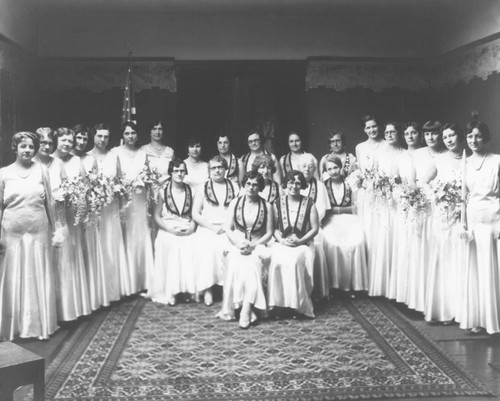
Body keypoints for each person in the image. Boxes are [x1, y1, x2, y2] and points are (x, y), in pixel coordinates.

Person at [0, 132, 59, 341]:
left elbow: (50, 202)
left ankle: (37, 326)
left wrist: (55, 230)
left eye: (31, 147)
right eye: (23, 146)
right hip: (11, 232)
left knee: (38, 274)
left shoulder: (42, 170)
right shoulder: (3, 174)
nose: (27, 150)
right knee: (13, 275)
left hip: (38, 230)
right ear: (14, 148)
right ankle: (12, 328)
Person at [460, 113, 500, 335]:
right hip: (474, 219)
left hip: (495, 218)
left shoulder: (497, 160)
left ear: (485, 137)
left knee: (494, 270)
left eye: (477, 136)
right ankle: (478, 318)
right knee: (476, 271)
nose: (473, 141)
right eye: (469, 136)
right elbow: (462, 197)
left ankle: (495, 320)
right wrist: (463, 225)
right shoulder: (465, 163)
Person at [218, 171, 273, 328]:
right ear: (244, 184)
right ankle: (244, 307)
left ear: (260, 187)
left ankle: (246, 309)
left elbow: (269, 233)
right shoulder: (235, 202)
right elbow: (228, 228)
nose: (251, 187)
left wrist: (253, 246)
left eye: (255, 184)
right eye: (248, 183)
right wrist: (238, 244)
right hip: (238, 243)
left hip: (258, 244)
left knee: (252, 264)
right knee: (236, 262)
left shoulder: (267, 206)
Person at [425, 123, 467, 325]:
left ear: (459, 137)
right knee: (447, 261)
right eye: (445, 137)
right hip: (444, 217)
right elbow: (423, 183)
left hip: (466, 216)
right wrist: (436, 196)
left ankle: (465, 310)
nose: (449, 140)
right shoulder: (439, 160)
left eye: (452, 136)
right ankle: (447, 310)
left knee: (464, 261)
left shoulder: (470, 157)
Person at [267, 170, 319, 319]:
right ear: (285, 184)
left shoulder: (309, 203)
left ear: (302, 185)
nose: (294, 186)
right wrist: (282, 240)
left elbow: (315, 229)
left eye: (297, 183)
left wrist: (300, 241)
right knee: (277, 260)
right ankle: (278, 305)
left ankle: (298, 306)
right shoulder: (277, 203)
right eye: (290, 182)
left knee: (295, 262)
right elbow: (274, 228)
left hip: (302, 244)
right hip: (283, 243)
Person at [52, 127, 91, 321]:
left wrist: (78, 201)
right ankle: (55, 309)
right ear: (56, 141)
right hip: (54, 217)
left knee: (72, 258)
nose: (67, 144)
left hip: (73, 216)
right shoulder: (49, 161)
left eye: (70, 141)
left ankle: (72, 307)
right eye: (63, 140)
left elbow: (85, 187)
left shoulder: (77, 161)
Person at [88, 123, 131, 300]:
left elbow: (120, 181)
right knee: (97, 246)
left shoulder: (114, 156)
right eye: (99, 136)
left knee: (112, 245)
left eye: (106, 136)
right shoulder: (87, 156)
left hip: (111, 207)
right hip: (94, 209)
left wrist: (121, 207)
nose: (103, 140)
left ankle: (113, 291)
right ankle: (98, 293)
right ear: (93, 136)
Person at [111, 121, 154, 294]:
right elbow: (114, 176)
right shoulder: (115, 153)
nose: (130, 136)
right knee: (125, 234)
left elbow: (148, 175)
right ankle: (126, 283)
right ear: (122, 135)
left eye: (133, 133)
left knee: (140, 233)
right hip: (123, 199)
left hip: (140, 198)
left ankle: (142, 280)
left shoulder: (143, 153)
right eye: (127, 133)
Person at [405, 120, 444, 312]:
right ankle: (421, 301)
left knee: (438, 250)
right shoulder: (418, 154)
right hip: (422, 205)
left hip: (441, 206)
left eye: (434, 133)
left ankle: (438, 301)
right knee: (422, 249)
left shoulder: (446, 155)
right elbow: (412, 181)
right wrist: (415, 200)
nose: (430, 137)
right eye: (427, 134)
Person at [147, 159, 197, 306]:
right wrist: (169, 229)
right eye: (176, 171)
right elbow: (157, 216)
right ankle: (172, 291)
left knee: (191, 245)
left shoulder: (191, 191)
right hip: (167, 228)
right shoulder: (163, 191)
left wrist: (192, 228)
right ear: (171, 172)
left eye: (182, 171)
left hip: (186, 227)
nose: (179, 174)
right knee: (173, 246)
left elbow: (195, 215)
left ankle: (187, 290)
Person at [192, 156, 239, 306]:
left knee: (232, 247)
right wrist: (212, 228)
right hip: (208, 227)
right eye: (214, 168)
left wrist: (228, 227)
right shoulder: (203, 187)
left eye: (220, 167)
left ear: (226, 169)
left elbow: (239, 211)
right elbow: (195, 214)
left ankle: (227, 287)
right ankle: (208, 289)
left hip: (229, 227)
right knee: (207, 247)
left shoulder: (235, 186)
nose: (217, 170)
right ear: (209, 171)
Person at [72, 124, 109, 311]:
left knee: (87, 250)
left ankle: (88, 298)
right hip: (69, 213)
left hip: (88, 212)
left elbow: (95, 185)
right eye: (78, 138)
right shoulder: (61, 159)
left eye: (84, 139)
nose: (81, 142)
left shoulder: (90, 159)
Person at [322, 156, 368, 295]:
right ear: (326, 171)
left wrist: (338, 209)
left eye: (335, 167)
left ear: (341, 167)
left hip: (351, 219)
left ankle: (354, 284)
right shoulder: (323, 185)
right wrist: (336, 211)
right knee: (333, 243)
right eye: (329, 169)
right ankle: (336, 285)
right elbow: (324, 208)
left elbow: (356, 206)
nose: (333, 171)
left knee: (356, 241)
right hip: (331, 220)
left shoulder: (350, 183)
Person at [298, 153, 330, 300]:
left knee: (317, 243)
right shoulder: (292, 184)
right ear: (298, 167)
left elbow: (322, 209)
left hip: (314, 226)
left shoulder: (320, 186)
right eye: (304, 166)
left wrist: (309, 225)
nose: (307, 169)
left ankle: (316, 290)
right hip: (294, 228)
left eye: (311, 167)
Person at [140, 120, 174, 185]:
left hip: (167, 189)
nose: (157, 132)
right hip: (150, 189)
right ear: (150, 132)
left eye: (160, 129)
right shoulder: (142, 150)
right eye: (154, 129)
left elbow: (174, 173)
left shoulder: (170, 151)